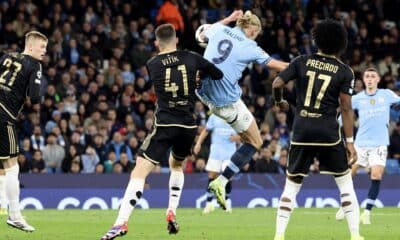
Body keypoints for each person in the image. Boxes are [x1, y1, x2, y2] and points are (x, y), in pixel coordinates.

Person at [100, 23, 223, 240]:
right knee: (176, 165)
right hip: (188, 126)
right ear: (176, 39)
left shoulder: (152, 63)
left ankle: (120, 223)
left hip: (165, 124)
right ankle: (171, 211)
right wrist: (198, 76)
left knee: (139, 171)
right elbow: (218, 74)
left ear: (157, 43)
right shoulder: (192, 57)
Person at [271, 19, 364, 240]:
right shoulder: (344, 71)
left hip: (302, 130)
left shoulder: (301, 61)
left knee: (291, 186)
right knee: (344, 184)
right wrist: (349, 141)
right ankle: (355, 235)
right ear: (341, 43)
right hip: (329, 134)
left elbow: (277, 84)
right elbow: (346, 107)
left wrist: (279, 102)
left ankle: (279, 235)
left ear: (317, 39)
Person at [196, 10, 288, 210]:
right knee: (256, 141)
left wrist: (227, 19)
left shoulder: (219, 29)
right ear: (252, 29)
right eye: (256, 33)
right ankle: (221, 182)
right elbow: (275, 65)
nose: (255, 36)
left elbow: (201, 35)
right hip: (226, 102)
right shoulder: (250, 46)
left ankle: (219, 184)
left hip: (203, 94)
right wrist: (300, 67)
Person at [336, 68, 400, 224]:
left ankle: (367, 213)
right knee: (348, 175)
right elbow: (344, 113)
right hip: (361, 144)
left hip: (379, 143)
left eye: (373, 76)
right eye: (367, 76)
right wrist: (336, 124)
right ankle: (346, 205)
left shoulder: (387, 94)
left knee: (376, 175)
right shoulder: (357, 98)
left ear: (378, 79)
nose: (370, 79)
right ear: (364, 80)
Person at [0, 30, 47, 232]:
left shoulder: (7, 55)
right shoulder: (35, 65)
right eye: (42, 47)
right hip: (3, 115)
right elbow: (35, 97)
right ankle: (15, 215)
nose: (44, 51)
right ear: (30, 46)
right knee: (12, 166)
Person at [193, 114, 240, 213]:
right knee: (212, 176)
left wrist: (237, 137)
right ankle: (209, 204)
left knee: (228, 177)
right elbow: (206, 130)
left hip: (230, 153)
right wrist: (198, 143)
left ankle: (227, 202)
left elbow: (245, 134)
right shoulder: (214, 116)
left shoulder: (235, 115)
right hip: (216, 153)